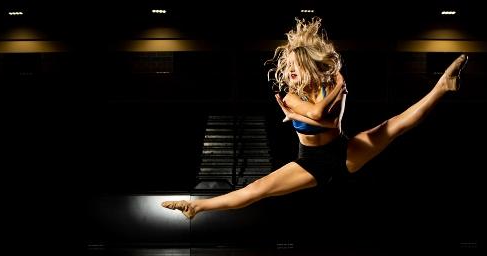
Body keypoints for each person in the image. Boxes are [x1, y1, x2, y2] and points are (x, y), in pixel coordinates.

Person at [162, 17, 468, 219]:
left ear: (309, 65)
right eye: (289, 67)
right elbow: (320, 114)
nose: (291, 72)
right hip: (310, 162)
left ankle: (442, 85)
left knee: (394, 125)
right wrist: (327, 96)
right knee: (257, 189)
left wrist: (316, 105)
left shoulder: (328, 86)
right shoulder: (292, 94)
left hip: (344, 152)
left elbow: (331, 122)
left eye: (296, 66)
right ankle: (196, 206)